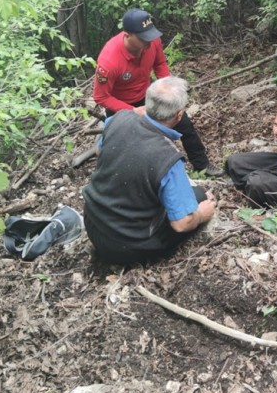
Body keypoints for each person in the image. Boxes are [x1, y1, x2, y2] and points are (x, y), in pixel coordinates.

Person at [83, 76, 217, 265]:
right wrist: (202, 214)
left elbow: (99, 151)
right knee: (200, 198)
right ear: (179, 115)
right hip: (129, 247)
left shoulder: (118, 118)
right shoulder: (167, 157)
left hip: (93, 226)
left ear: (146, 103)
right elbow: (181, 224)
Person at [92, 8, 223, 177]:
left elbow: (160, 64)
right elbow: (101, 96)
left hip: (149, 95)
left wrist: (168, 88)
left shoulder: (151, 41)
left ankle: (202, 165)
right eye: (143, 38)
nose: (149, 42)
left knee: (183, 123)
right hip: (121, 105)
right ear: (127, 35)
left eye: (150, 35)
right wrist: (133, 111)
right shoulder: (109, 61)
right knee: (127, 143)